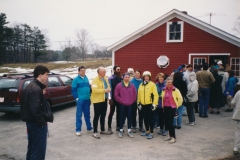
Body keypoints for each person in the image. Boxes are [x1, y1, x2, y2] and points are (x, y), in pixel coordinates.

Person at [21, 65, 53, 160]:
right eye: (46, 74)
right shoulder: (35, 89)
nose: (47, 77)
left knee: (32, 147)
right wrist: (42, 122)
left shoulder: (30, 86)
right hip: (37, 124)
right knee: (38, 150)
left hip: (31, 123)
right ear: (40, 75)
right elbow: (34, 109)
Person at [114, 73, 137, 138]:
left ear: (129, 78)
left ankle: (129, 130)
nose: (127, 78)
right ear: (123, 78)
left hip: (130, 105)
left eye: (128, 77)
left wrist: (131, 101)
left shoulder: (132, 86)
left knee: (129, 117)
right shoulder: (119, 85)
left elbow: (135, 94)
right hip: (122, 105)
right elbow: (116, 95)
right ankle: (121, 130)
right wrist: (121, 101)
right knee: (121, 117)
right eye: (125, 77)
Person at [72, 66, 92, 136]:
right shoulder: (76, 79)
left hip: (87, 99)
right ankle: (78, 130)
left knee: (87, 114)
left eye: (84, 70)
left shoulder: (86, 78)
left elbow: (88, 88)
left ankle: (89, 128)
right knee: (79, 115)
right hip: (80, 100)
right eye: (82, 71)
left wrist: (90, 95)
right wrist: (77, 98)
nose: (83, 72)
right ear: (79, 71)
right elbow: (73, 90)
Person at [91, 67, 111, 139]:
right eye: (103, 71)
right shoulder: (95, 80)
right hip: (97, 100)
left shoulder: (105, 78)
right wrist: (105, 90)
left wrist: (109, 89)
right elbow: (94, 90)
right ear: (99, 72)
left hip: (104, 99)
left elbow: (108, 85)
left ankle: (102, 130)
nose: (105, 72)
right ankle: (95, 132)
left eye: (105, 71)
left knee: (103, 115)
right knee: (97, 116)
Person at [137, 71, 158, 139]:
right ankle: (147, 130)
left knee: (150, 118)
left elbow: (155, 95)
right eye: (145, 76)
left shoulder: (152, 85)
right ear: (143, 77)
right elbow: (139, 95)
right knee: (145, 118)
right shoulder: (141, 85)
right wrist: (138, 102)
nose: (146, 78)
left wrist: (154, 104)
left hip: (150, 104)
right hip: (143, 104)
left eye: (147, 76)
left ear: (149, 77)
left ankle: (151, 132)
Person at [162, 77, 183, 144]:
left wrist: (177, 106)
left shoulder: (175, 90)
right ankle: (169, 135)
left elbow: (180, 99)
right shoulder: (164, 89)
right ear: (166, 83)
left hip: (172, 107)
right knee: (167, 122)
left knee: (171, 122)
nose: (170, 83)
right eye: (168, 82)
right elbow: (162, 98)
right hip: (165, 107)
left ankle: (173, 137)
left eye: (171, 82)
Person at [108, 65, 122, 133]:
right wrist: (110, 98)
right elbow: (109, 88)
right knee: (111, 112)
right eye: (117, 69)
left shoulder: (121, 78)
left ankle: (118, 126)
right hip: (113, 98)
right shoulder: (111, 78)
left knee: (119, 113)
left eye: (120, 69)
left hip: (119, 98)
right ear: (114, 70)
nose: (119, 71)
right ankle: (109, 126)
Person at [231, 90, 240, 154]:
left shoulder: (239, 92)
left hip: (239, 114)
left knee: (238, 131)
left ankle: (236, 147)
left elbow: (232, 102)